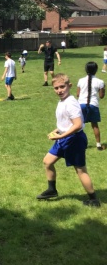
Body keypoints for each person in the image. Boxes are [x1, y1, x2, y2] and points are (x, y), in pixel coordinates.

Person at [36, 73, 100, 207]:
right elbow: (66, 122)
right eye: (56, 88)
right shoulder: (62, 101)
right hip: (64, 138)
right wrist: (57, 130)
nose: (59, 90)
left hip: (74, 140)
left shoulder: (71, 103)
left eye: (62, 87)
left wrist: (60, 136)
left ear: (69, 86)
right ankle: (52, 190)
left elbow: (77, 125)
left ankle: (93, 200)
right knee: (47, 161)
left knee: (80, 170)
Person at [77, 62, 105, 151]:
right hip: (93, 104)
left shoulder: (81, 80)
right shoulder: (100, 82)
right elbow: (101, 96)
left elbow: (78, 94)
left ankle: (78, 144)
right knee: (95, 125)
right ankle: (98, 144)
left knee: (79, 125)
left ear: (86, 70)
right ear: (96, 70)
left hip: (81, 104)